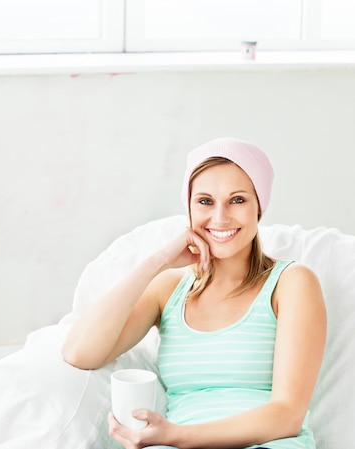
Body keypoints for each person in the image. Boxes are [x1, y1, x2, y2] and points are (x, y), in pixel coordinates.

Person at [62, 138, 326, 449]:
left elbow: (287, 415)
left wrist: (176, 436)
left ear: (259, 208)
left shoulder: (292, 282)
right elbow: (79, 353)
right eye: (205, 201)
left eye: (237, 200)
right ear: (188, 208)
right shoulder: (168, 290)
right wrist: (157, 261)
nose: (220, 217)